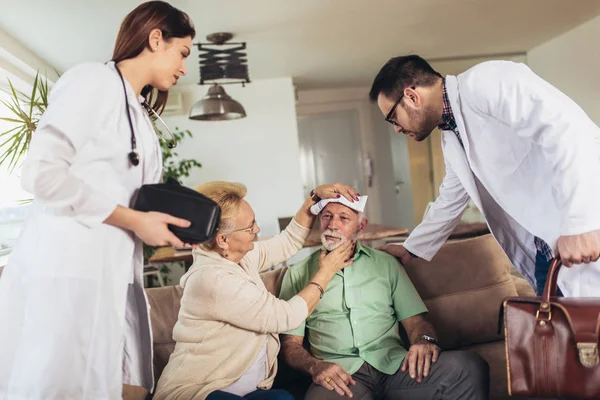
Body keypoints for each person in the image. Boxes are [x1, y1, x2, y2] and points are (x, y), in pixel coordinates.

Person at [0, 2, 196, 398]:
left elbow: (124, 194)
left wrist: (158, 225)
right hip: (69, 273)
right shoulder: (92, 81)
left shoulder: (137, 112)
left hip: (113, 275)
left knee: (127, 385)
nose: (184, 68)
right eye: (183, 53)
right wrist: (135, 221)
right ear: (156, 39)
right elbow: (42, 173)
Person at [369, 55, 600, 297]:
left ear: (411, 97)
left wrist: (580, 223)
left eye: (392, 118)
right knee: (564, 332)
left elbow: (564, 129)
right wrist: (411, 248)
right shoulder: (450, 137)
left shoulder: (485, 82)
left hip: (583, 233)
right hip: (547, 253)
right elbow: (450, 199)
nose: (396, 129)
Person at [154, 181, 361, 400]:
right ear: (223, 240)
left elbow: (287, 241)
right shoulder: (213, 280)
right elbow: (286, 316)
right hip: (199, 391)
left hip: (244, 389)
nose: (257, 229)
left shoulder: (237, 257)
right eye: (250, 226)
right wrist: (326, 271)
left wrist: (314, 197)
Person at [279, 198, 489, 400]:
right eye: (327, 216)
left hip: (396, 367)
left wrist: (424, 341)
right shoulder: (297, 274)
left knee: (468, 367)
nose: (333, 225)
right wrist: (315, 366)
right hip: (341, 377)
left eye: (344, 218)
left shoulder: (386, 264)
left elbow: (416, 322)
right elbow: (291, 346)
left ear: (361, 227)